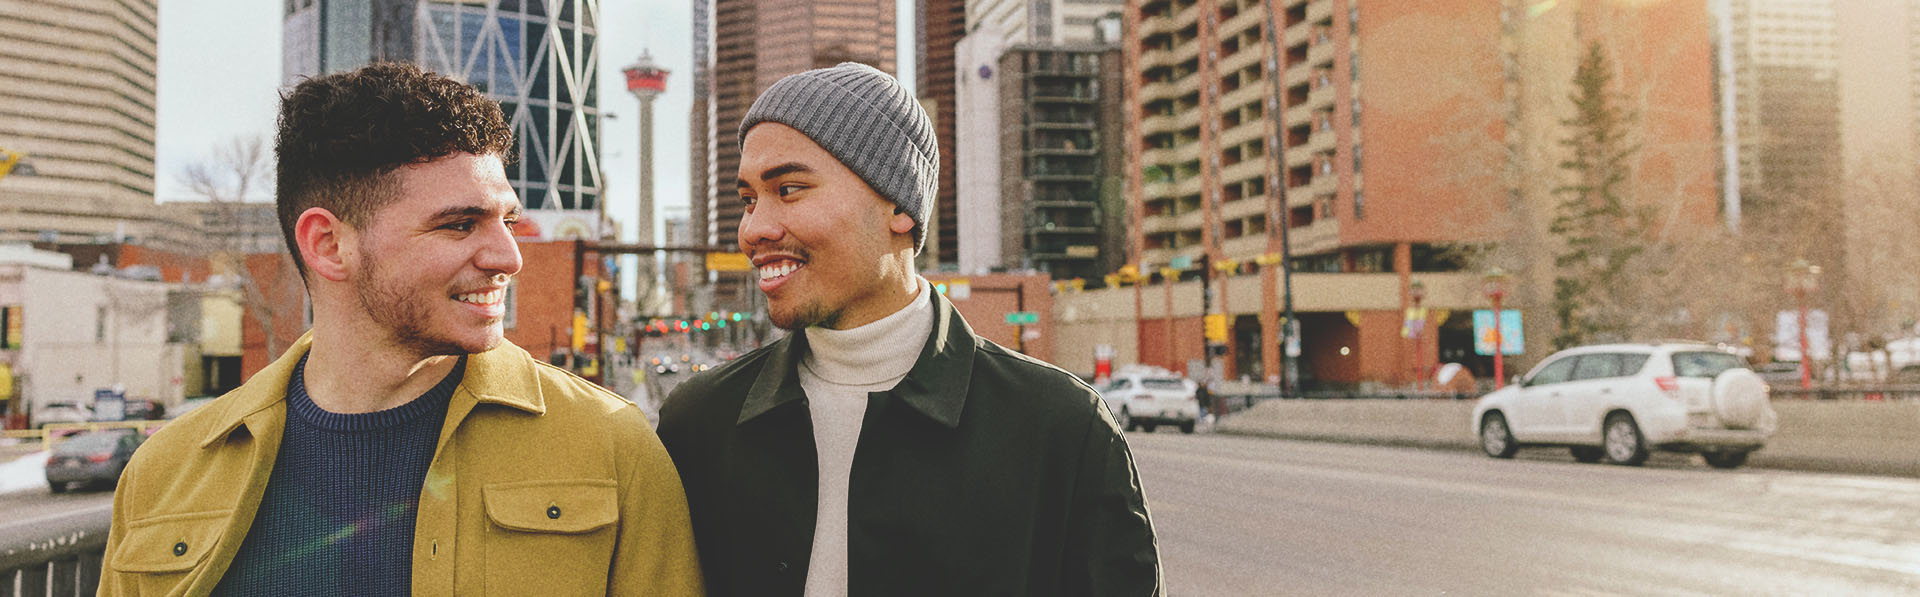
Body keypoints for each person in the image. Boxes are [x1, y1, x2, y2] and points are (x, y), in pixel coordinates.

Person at [100, 63, 703, 596]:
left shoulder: (612, 447)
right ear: (329, 244)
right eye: (461, 225)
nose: (508, 257)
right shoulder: (162, 475)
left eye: (507, 221)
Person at [657, 62, 1163, 596]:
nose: (753, 228)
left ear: (898, 204)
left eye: (789, 188)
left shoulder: (1061, 427)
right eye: (748, 199)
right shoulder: (699, 422)